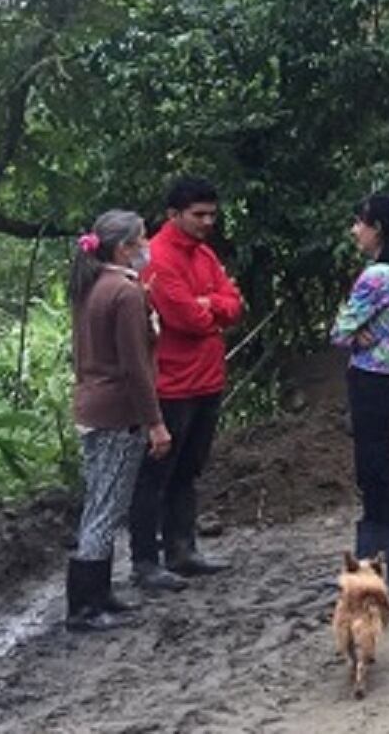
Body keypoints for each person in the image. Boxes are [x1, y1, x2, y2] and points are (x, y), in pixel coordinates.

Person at [129, 176, 242, 590]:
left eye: (212, 214)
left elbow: (234, 305)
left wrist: (210, 304)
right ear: (173, 215)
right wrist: (213, 307)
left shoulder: (205, 255)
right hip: (172, 384)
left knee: (188, 471)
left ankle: (182, 548)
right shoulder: (157, 259)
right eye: (199, 215)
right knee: (155, 475)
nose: (207, 221)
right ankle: (145, 561)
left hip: (207, 380)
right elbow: (185, 319)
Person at [66, 210, 173, 632]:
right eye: (144, 238)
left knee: (102, 501)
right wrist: (155, 422)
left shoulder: (90, 287)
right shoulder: (125, 293)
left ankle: (99, 593)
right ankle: (84, 606)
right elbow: (135, 367)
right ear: (124, 246)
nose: (148, 245)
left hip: (92, 404)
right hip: (117, 412)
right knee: (105, 508)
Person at [330, 191, 389, 598]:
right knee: (381, 467)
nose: (355, 231)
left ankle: (387, 567)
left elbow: (338, 331)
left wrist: (354, 332)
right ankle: (381, 562)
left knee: (375, 472)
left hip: (370, 379)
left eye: (360, 222)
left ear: (377, 229)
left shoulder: (376, 277)